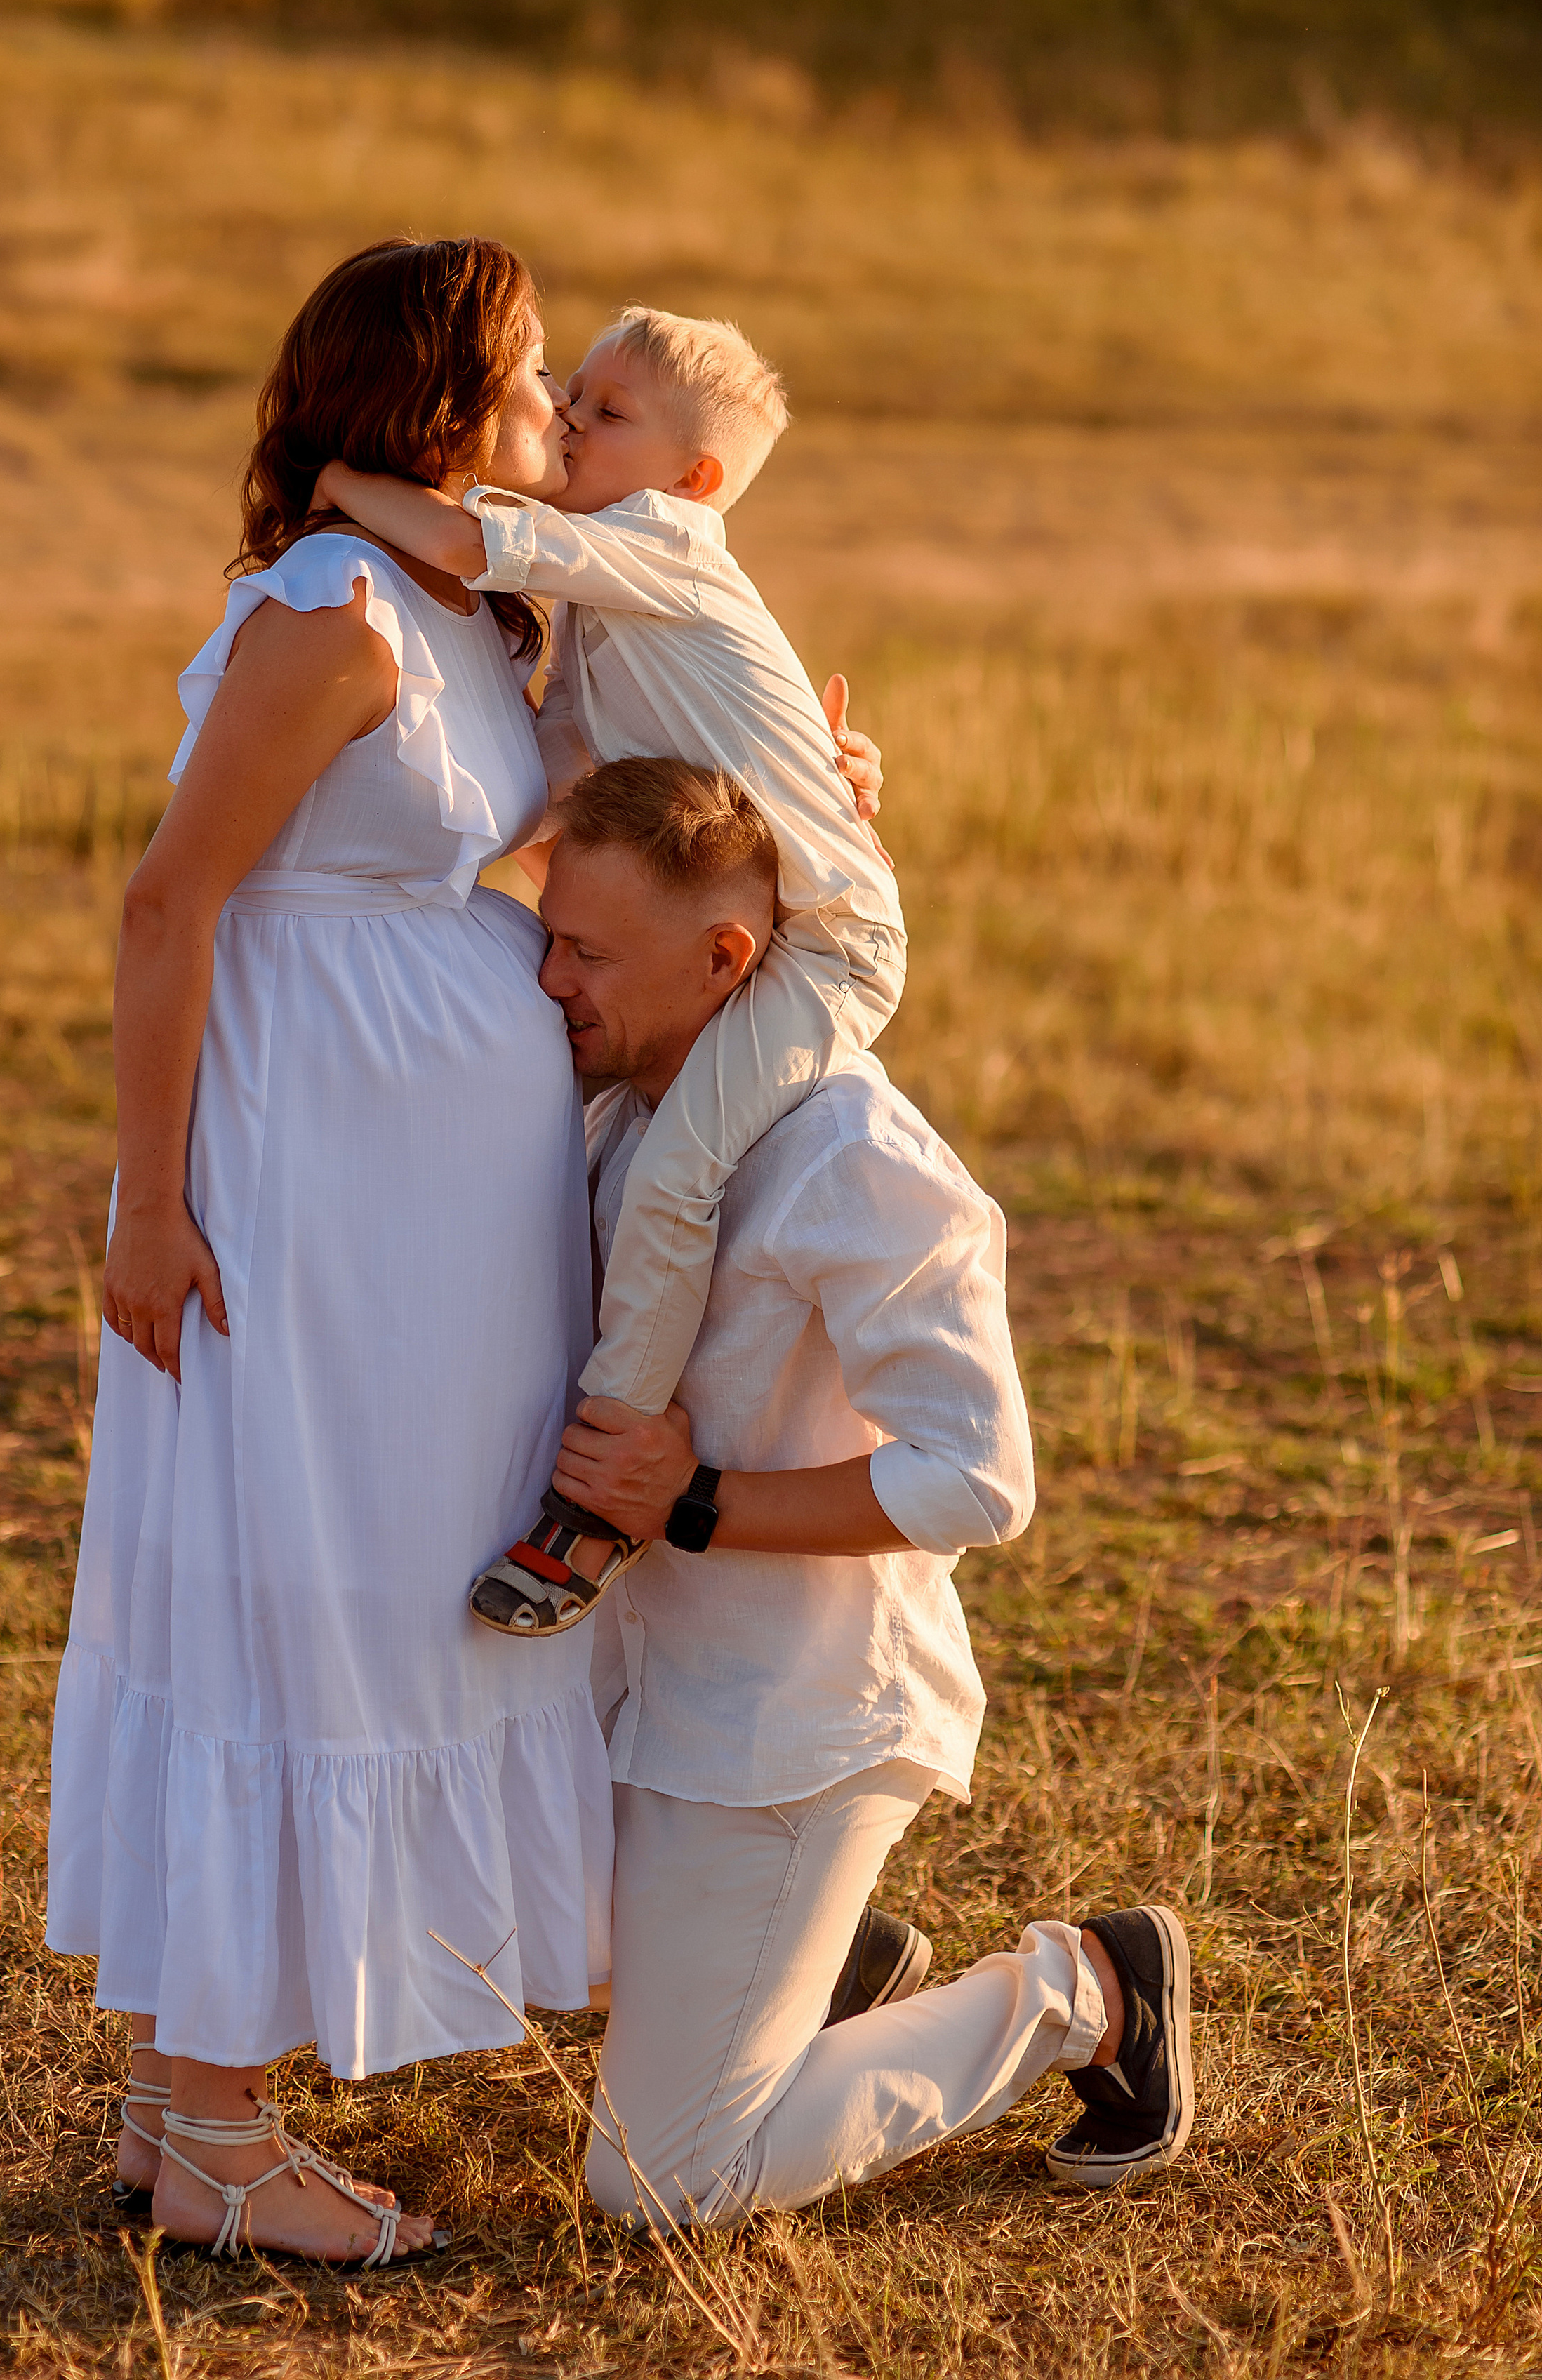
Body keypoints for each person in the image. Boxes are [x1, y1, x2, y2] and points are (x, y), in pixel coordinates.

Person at [44, 236, 616, 2268]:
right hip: (291, 1205)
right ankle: (214, 2131)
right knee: (290, 1607)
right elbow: (168, 906)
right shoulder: (333, 609)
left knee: (369, 1594)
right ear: (442, 406)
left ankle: (171, 2108)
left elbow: (488, 865)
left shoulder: (474, 614)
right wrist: (156, 1196)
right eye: (541, 383)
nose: (560, 424)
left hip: (417, 1234)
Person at [533, 756, 1197, 2226]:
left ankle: (1082, 1991)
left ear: (723, 959)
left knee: (665, 2181)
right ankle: (830, 1970)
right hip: (633, 1688)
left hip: (786, 1719)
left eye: (584, 951)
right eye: (547, 931)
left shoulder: (851, 1154)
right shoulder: (632, 1109)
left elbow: (978, 1477)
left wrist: (691, 1500)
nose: (546, 974)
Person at [312, 307, 905, 1640]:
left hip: (825, 935)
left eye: (610, 411)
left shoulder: (661, 549)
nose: (571, 419)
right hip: (724, 912)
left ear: (695, 479)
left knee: (678, 1165)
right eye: (570, 394)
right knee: (597, 1149)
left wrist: (339, 478)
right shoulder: (595, 605)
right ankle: (530, 1420)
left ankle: (605, 1491)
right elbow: (550, 787)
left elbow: (466, 538)